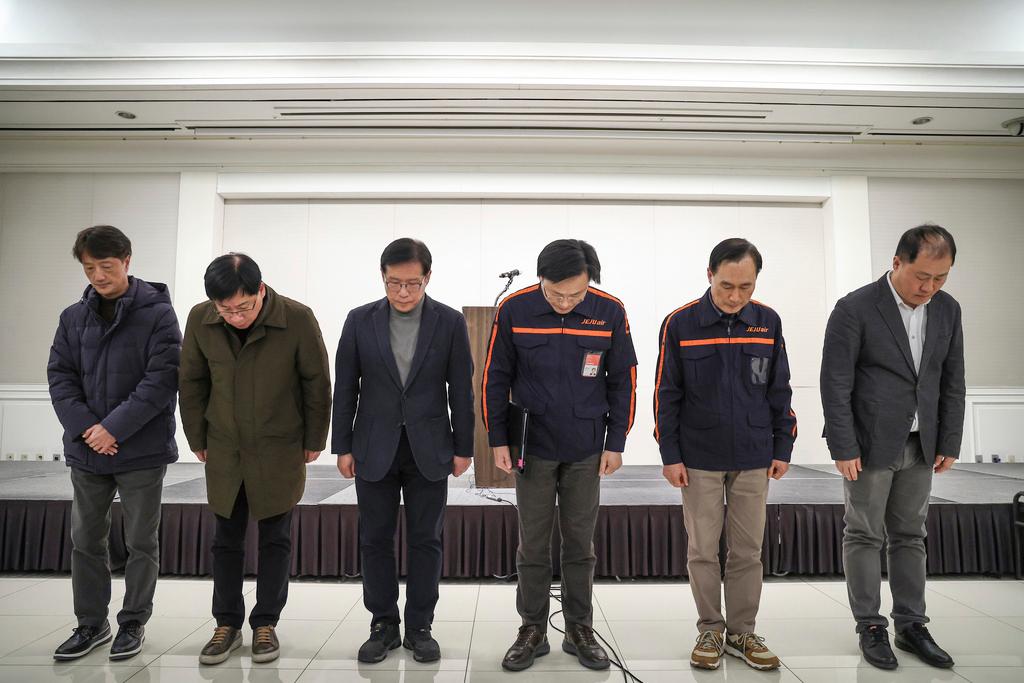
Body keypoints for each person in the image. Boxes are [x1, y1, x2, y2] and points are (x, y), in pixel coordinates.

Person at [482, 239, 638, 672]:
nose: (566, 302)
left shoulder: (610, 310)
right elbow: (495, 376)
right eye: (556, 294)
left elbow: (622, 380)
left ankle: (579, 627)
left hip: (587, 447)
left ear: (591, 282)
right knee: (532, 543)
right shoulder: (515, 309)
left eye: (575, 294)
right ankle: (532, 628)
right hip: (532, 446)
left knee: (580, 543)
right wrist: (497, 439)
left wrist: (616, 442)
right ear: (540, 280)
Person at [821, 224, 964, 670]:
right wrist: (843, 444)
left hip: (924, 442)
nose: (930, 287)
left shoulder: (947, 309)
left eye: (941, 278)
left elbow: (952, 378)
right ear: (897, 262)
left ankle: (911, 625)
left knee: (911, 535)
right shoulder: (856, 308)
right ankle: (870, 625)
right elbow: (836, 381)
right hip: (868, 443)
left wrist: (950, 439)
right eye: (923, 276)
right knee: (864, 533)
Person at [179, 253, 332, 665]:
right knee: (225, 540)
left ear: (260, 291)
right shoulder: (200, 319)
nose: (235, 316)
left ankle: (266, 623)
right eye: (225, 309)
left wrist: (315, 437)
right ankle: (225, 624)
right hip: (225, 445)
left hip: (279, 445)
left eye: (243, 306)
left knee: (275, 539)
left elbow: (317, 381)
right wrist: (197, 436)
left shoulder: (296, 318)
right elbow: (191, 381)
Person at [653, 238, 796, 671]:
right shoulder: (680, 323)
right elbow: (666, 394)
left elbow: (780, 389)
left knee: (748, 549)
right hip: (698, 457)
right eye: (727, 285)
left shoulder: (767, 322)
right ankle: (710, 630)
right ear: (709, 274)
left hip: (754, 453)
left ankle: (743, 632)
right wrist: (670, 454)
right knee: (702, 548)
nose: (736, 296)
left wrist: (783, 445)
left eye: (746, 287)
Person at [332, 238, 475, 664]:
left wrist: (463, 446)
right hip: (373, 445)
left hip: (429, 446)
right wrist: (341, 445)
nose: (403, 293)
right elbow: (346, 387)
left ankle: (420, 626)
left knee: (426, 539)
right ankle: (383, 624)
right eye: (394, 284)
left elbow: (461, 390)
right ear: (383, 277)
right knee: (374, 538)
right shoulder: (360, 320)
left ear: (427, 277)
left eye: (412, 284)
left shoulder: (449, 322)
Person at [48, 225, 181, 661]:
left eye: (106, 266)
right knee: (86, 538)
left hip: (140, 448)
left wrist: (114, 429)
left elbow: (162, 379)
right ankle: (91, 623)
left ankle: (133, 621)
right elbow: (60, 377)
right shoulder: (72, 317)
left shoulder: (158, 313)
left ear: (127, 260)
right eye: (90, 268)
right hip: (89, 450)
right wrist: (90, 430)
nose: (98, 276)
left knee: (142, 539)